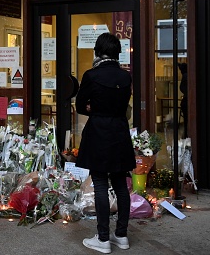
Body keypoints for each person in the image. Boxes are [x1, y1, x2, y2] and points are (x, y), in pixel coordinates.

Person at [75, 33, 136, 254]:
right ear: (117, 53)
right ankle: (121, 235)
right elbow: (123, 105)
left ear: (98, 51)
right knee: (120, 184)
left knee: (100, 183)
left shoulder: (91, 75)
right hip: (119, 132)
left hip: (99, 132)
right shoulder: (125, 77)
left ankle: (102, 238)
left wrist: (93, 107)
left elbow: (81, 106)